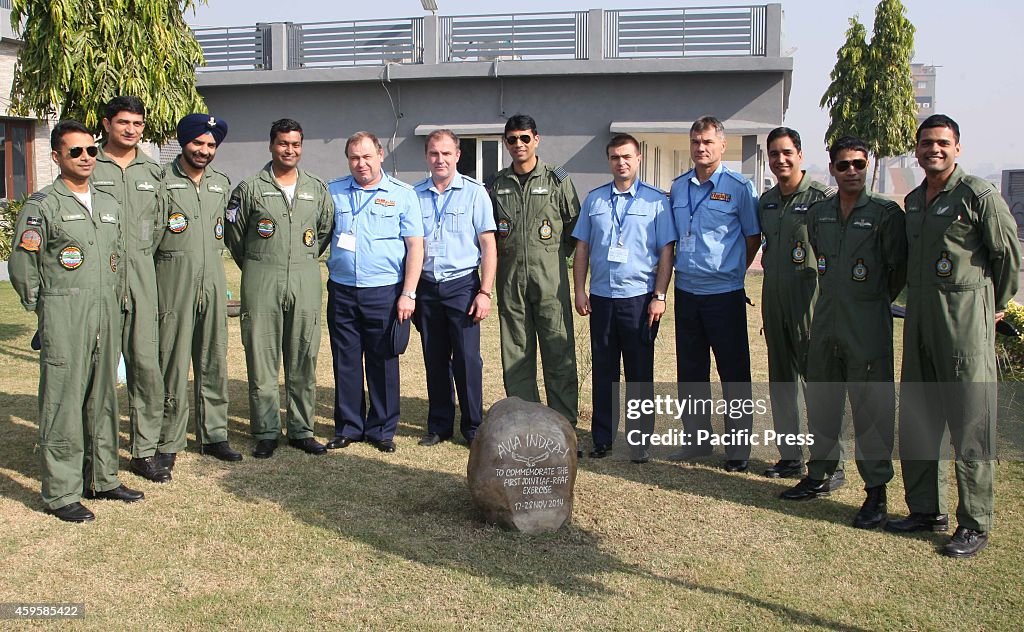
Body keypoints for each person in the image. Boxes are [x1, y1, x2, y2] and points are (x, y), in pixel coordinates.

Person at [887, 115, 1021, 558]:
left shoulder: (978, 195)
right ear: (917, 148)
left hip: (965, 330)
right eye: (926, 143)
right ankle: (926, 509)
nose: (933, 150)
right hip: (921, 325)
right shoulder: (913, 201)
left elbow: (1006, 257)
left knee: (971, 425)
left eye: (942, 143)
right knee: (920, 421)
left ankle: (975, 522)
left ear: (957, 148)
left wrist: (989, 308)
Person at [10, 120, 143, 522]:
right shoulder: (43, 205)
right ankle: (61, 491)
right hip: (66, 311)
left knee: (102, 397)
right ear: (56, 157)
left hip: (106, 310)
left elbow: (117, 257)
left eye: (90, 151)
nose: (86, 158)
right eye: (76, 152)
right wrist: (44, 308)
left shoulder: (107, 203)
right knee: (63, 402)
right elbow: (23, 264)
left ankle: (102, 478)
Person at [780, 137, 907, 532]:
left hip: (866, 324)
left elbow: (897, 270)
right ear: (832, 168)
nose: (851, 171)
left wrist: (868, 301)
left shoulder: (886, 213)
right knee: (822, 401)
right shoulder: (820, 214)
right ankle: (820, 474)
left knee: (870, 410)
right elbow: (819, 257)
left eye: (858, 164)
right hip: (826, 322)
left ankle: (876, 493)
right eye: (843, 165)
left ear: (867, 165)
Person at [225, 119, 334, 459]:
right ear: (271, 145)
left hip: (304, 275)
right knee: (262, 354)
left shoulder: (316, 188)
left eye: (296, 144)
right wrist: (260, 263)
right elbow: (235, 236)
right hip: (261, 275)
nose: (290, 150)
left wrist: (300, 260)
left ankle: (302, 429)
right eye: (283, 143)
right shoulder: (250, 188)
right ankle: (267, 431)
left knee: (304, 353)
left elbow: (324, 230)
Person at [572, 133, 674, 462]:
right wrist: (579, 289)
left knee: (639, 371)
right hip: (602, 297)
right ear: (609, 161)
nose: (622, 162)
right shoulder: (595, 200)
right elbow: (583, 248)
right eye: (615, 157)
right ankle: (602, 438)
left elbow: (666, 251)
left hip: (639, 298)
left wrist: (660, 295)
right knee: (604, 371)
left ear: (639, 158)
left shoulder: (656, 202)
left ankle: (640, 440)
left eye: (627, 156)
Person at [668, 116, 760, 472]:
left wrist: (734, 270)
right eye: (695, 142)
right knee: (691, 371)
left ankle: (738, 450)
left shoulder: (739, 187)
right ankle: (696, 440)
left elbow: (753, 237)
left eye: (707, 141)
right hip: (687, 291)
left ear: (722, 145)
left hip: (725, 293)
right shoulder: (679, 188)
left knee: (733, 372)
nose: (701, 148)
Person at [325, 131, 424, 453]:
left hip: (384, 291)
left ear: (380, 155)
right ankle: (349, 427)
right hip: (342, 289)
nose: (361, 164)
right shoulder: (334, 191)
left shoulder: (402, 194)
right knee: (346, 361)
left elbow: (415, 247)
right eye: (354, 158)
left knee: (383, 361)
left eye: (367, 156)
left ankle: (381, 429)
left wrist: (408, 293)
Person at [757, 126, 845, 486]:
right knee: (782, 382)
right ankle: (790, 456)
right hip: (775, 301)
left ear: (800, 155)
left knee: (817, 384)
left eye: (786, 152)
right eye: (774, 154)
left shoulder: (824, 198)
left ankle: (830, 463)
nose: (780, 160)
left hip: (810, 303)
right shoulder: (766, 201)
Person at [154, 113, 241, 468]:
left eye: (210, 145)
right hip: (172, 282)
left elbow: (231, 234)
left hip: (212, 282)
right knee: (171, 363)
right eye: (198, 143)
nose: (204, 150)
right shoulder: (161, 180)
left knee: (213, 360)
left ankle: (214, 434)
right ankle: (168, 438)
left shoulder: (221, 183)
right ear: (183, 142)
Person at [91, 96, 169, 483]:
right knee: (101, 368)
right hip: (101, 276)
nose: (131, 130)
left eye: (137, 124)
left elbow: (159, 226)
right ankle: (98, 452)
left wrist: (138, 260)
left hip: (141, 273)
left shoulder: (152, 172)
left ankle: (144, 450)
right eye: (123, 122)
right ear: (106, 124)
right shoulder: (91, 164)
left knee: (145, 366)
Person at [490, 114, 581, 425]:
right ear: (506, 143)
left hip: (550, 280)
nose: (519, 144)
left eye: (525, 138)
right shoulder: (497, 184)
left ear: (536, 139)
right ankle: (526, 421)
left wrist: (551, 258)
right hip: (510, 280)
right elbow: (489, 233)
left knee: (558, 349)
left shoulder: (557, 179)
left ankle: (564, 423)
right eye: (512, 139)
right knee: (516, 352)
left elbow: (575, 228)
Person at [413, 130, 497, 446]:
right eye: (434, 153)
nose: (440, 159)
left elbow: (488, 245)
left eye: (446, 153)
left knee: (467, 360)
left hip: (462, 286)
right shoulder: (415, 194)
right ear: (426, 156)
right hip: (427, 287)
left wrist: (485, 292)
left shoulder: (475, 192)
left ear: (457, 156)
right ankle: (439, 425)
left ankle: (473, 427)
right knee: (434, 358)